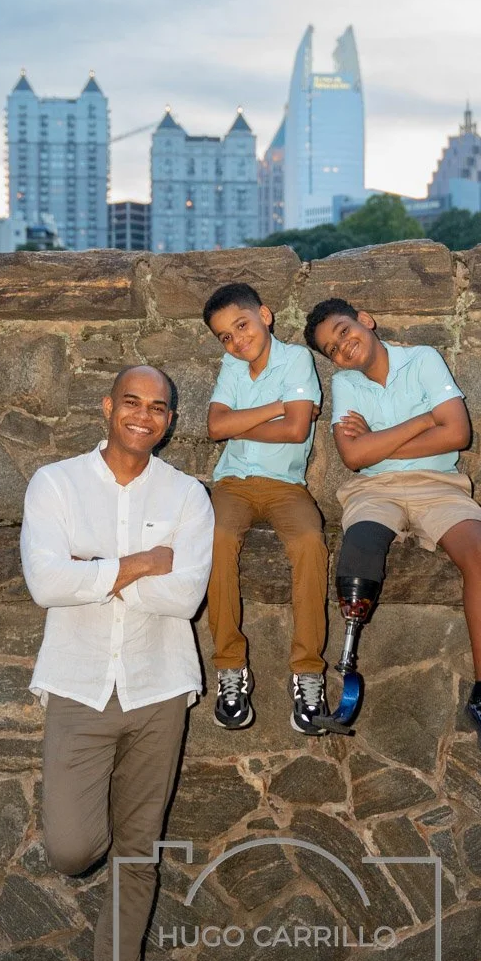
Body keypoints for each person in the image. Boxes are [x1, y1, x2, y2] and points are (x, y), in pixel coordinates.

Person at [20, 365, 213, 961]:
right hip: (77, 686)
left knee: (138, 854)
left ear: (170, 419)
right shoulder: (56, 484)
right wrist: (137, 563)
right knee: (74, 847)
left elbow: (183, 594)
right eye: (131, 401)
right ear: (108, 407)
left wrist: (93, 570)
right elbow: (45, 583)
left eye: (158, 406)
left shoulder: (188, 496)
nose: (144, 415)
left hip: (160, 687)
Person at [303, 298, 481, 761]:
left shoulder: (421, 359)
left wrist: (382, 438)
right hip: (374, 489)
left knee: (480, 552)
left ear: (366, 319)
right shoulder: (345, 383)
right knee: (357, 554)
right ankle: (345, 673)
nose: (342, 348)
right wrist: (425, 421)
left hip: (438, 486)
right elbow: (354, 459)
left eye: (343, 332)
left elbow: (457, 434)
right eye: (331, 349)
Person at [203, 281, 330, 735]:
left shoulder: (297, 358)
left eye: (242, 325)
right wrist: (277, 406)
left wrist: (239, 424)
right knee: (215, 539)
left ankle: (308, 673)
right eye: (226, 337)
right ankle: (230, 669)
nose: (238, 341)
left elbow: (297, 432)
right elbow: (215, 427)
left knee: (311, 544)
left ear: (266, 315)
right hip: (232, 484)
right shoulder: (231, 366)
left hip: (286, 486)